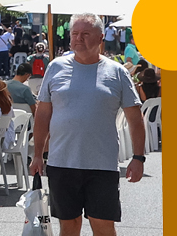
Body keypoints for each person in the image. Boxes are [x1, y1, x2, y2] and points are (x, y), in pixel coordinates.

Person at [34, 13, 146, 236]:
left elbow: (135, 118)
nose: (78, 38)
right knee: (69, 225)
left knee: (103, 225)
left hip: (102, 165)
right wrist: (38, 154)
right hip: (62, 163)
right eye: (75, 33)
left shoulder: (117, 72)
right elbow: (42, 114)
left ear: (101, 38)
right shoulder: (55, 68)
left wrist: (138, 157)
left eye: (85, 34)